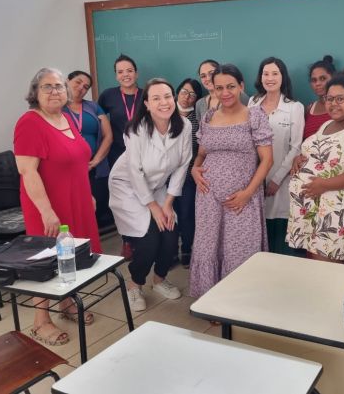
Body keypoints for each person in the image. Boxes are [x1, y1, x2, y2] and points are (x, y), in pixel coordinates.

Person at [14, 68, 101, 346]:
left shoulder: (65, 117)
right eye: (47, 86)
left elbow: (76, 160)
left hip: (76, 199)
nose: (54, 91)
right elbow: (28, 171)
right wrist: (46, 211)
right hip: (48, 206)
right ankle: (41, 320)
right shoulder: (30, 122)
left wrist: (87, 194)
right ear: (35, 92)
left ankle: (65, 303)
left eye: (59, 86)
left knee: (71, 254)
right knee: (46, 260)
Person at [190, 64, 273, 298]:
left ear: (241, 86)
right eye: (219, 88)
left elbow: (267, 160)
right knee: (208, 246)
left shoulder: (254, 115)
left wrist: (248, 193)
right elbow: (202, 154)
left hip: (242, 198)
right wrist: (194, 169)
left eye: (230, 86)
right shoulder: (208, 117)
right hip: (207, 197)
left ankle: (238, 300)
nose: (225, 93)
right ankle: (210, 298)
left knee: (240, 248)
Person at [108, 78, 192, 311]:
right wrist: (154, 207)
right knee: (149, 238)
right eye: (156, 98)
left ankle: (159, 280)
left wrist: (168, 203)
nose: (163, 102)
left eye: (167, 96)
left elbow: (183, 165)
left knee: (170, 232)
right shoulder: (135, 130)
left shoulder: (184, 125)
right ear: (146, 104)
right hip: (128, 186)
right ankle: (135, 285)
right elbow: (135, 172)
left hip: (157, 186)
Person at [286, 69, 344, 263]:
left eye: (340, 99)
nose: (333, 104)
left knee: (328, 263)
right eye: (329, 99)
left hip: (337, 208)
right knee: (325, 260)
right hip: (313, 207)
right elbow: (320, 155)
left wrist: (323, 185)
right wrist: (299, 159)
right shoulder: (327, 125)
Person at [248, 57, 304, 255]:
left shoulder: (294, 107)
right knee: (258, 233)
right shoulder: (253, 103)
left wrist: (276, 179)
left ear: (283, 77)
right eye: (265, 74)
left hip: (281, 181)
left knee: (279, 233)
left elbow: (296, 147)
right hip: (253, 178)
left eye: (275, 73)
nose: (269, 78)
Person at [98, 54, 144, 259]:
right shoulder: (108, 96)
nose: (126, 75)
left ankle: (144, 238)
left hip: (142, 154)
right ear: (116, 76)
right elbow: (98, 121)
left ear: (136, 73)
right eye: (120, 72)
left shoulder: (147, 94)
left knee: (142, 196)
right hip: (117, 155)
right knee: (122, 201)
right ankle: (127, 241)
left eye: (129, 71)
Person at [64, 70, 113, 226]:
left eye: (86, 87)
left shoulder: (93, 107)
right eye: (78, 82)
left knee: (98, 208)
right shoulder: (57, 108)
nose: (81, 88)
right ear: (67, 81)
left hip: (95, 166)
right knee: (76, 210)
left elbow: (108, 136)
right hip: (68, 167)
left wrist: (95, 161)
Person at [173, 77, 203, 267]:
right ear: (177, 92)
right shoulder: (167, 111)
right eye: (184, 92)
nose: (187, 97)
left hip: (188, 173)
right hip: (165, 174)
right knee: (168, 212)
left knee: (186, 213)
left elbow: (200, 147)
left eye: (192, 94)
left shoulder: (197, 117)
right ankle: (169, 250)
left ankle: (186, 248)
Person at [303, 55, 337, 140]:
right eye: (314, 80)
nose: (317, 83)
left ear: (334, 78)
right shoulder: (309, 109)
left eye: (322, 78)